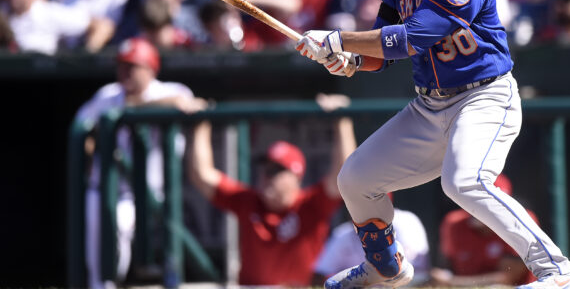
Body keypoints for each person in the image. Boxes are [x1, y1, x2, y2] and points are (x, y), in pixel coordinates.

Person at [293, 0, 570, 289]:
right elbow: (382, 48)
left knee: (464, 182)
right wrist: (350, 60)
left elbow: (413, 38)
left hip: (484, 97)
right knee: (355, 179)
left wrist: (340, 38)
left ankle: (557, 271)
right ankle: (385, 267)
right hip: (430, 103)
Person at [74, 38, 208, 289]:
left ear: (151, 69)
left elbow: (183, 103)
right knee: (100, 259)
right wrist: (90, 154)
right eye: (122, 66)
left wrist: (142, 106)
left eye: (132, 66)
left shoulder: (170, 89)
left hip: (148, 194)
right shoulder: (108, 94)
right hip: (105, 187)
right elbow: (82, 128)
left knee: (133, 239)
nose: (125, 73)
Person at [185, 93, 356, 285]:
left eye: (276, 170)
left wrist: (342, 120)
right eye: (265, 169)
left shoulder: (311, 203)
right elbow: (201, 175)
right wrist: (201, 123)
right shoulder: (248, 201)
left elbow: (345, 173)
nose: (266, 176)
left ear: (296, 177)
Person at [430, 174, 537, 287]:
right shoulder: (454, 223)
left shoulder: (521, 221)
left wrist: (453, 281)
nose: (488, 209)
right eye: (481, 201)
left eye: (495, 203)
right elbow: (443, 272)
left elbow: (507, 279)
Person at [312, 196, 431, 286]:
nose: (360, 211)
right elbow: (319, 275)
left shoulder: (405, 221)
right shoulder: (344, 233)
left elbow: (409, 272)